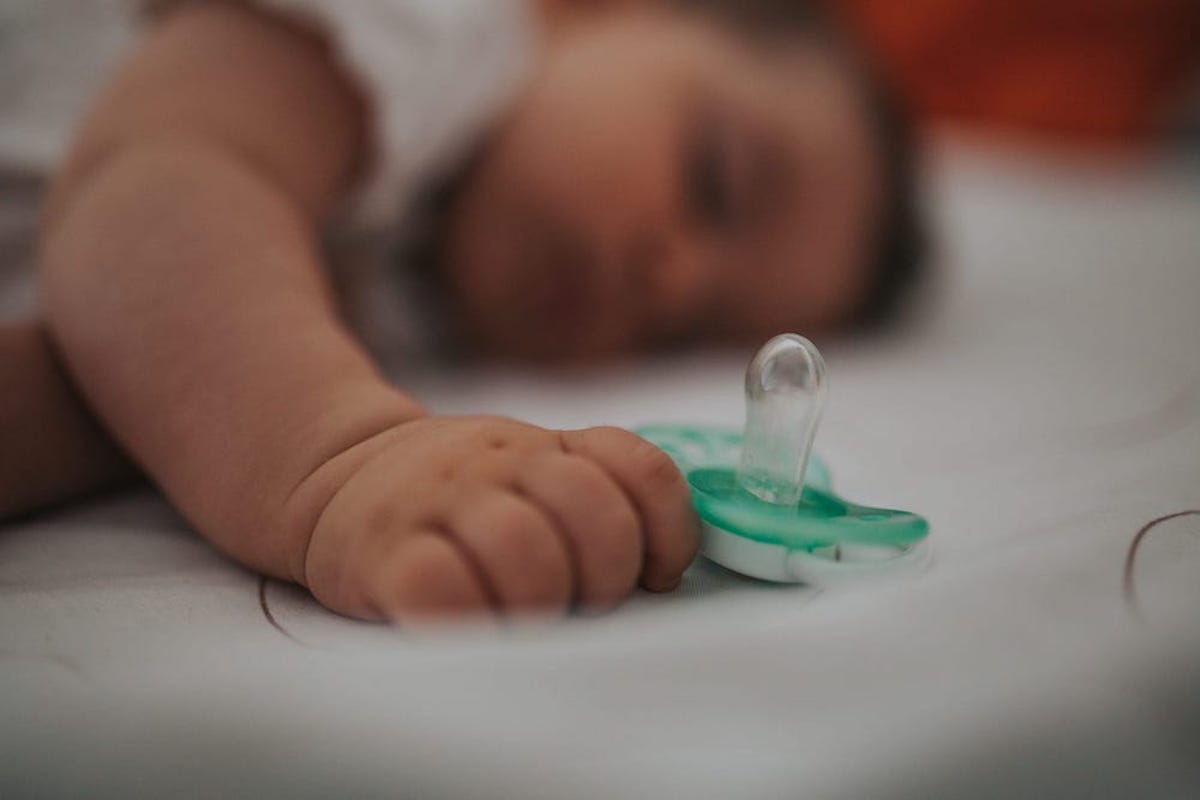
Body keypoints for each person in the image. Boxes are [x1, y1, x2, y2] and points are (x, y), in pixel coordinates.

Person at [0, 0, 922, 621]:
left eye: (685, 332)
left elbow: (127, 350)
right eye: (714, 180)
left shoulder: (398, 311)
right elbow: (157, 189)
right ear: (601, 12)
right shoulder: (435, 33)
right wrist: (340, 457)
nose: (671, 280)